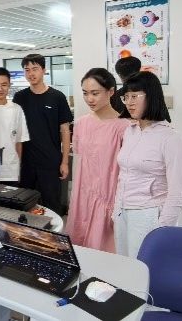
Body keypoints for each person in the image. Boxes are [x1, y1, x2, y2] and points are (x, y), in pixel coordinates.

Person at [113, 71, 182, 258]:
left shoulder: (171, 138)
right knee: (125, 264)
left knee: (145, 268)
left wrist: (162, 230)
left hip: (149, 215)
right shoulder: (130, 132)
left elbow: (178, 194)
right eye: (126, 97)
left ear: (151, 96)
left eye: (135, 96)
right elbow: (124, 175)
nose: (129, 102)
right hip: (122, 211)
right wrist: (116, 210)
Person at [65, 68, 130, 253]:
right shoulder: (80, 123)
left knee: (104, 248)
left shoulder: (124, 127)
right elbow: (81, 157)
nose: (89, 99)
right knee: (79, 248)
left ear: (111, 92)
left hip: (108, 194)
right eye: (85, 93)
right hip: (83, 192)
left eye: (95, 93)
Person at [13, 54, 73, 215]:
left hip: (50, 162)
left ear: (44, 70)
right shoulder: (19, 98)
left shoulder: (57, 97)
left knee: (51, 207)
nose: (31, 73)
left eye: (35, 69)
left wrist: (65, 162)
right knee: (25, 206)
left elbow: (65, 131)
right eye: (27, 70)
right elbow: (15, 131)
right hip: (26, 163)